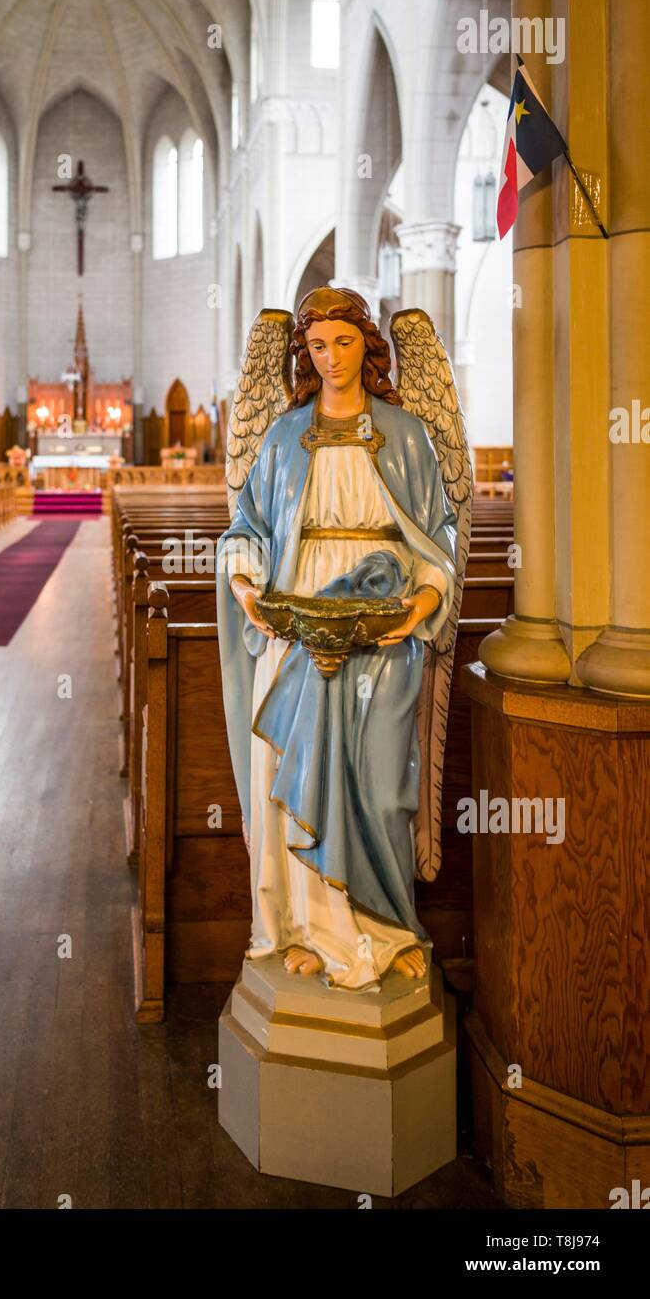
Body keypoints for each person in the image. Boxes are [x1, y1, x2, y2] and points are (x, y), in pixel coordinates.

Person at [216, 288, 457, 991]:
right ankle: (307, 931)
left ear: (367, 346)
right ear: (305, 352)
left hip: (383, 625)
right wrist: (245, 587)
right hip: (295, 618)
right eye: (317, 346)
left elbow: (440, 529)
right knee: (288, 775)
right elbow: (246, 529)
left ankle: (381, 929)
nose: (331, 359)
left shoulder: (406, 434)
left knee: (380, 784)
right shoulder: (283, 436)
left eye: (344, 343)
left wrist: (426, 599)